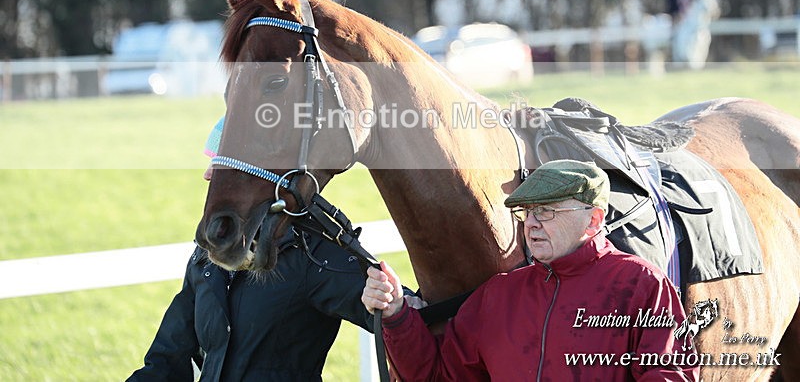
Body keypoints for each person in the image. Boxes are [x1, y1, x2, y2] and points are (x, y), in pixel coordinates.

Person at [362, 159, 699, 381]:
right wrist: (396, 315)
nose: (532, 225)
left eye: (547, 211)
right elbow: (438, 377)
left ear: (593, 219)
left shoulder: (642, 286)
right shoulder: (498, 295)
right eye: (528, 212)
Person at [128, 117, 373, 381]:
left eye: (220, 163)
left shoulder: (313, 253)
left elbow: (402, 318)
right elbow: (167, 361)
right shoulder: (209, 251)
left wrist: (390, 303)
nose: (208, 173)